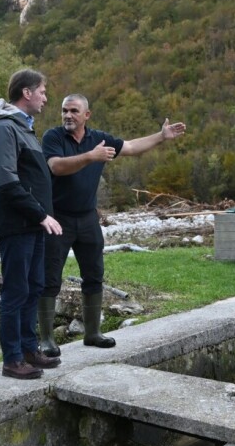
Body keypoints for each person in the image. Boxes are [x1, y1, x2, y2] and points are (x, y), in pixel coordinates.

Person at [37, 94, 186, 356]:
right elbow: (56, 167)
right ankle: (47, 340)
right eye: (64, 110)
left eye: (74, 111)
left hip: (87, 218)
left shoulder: (99, 138)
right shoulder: (53, 137)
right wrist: (91, 156)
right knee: (50, 277)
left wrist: (161, 136)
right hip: (58, 218)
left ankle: (92, 333)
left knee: (94, 274)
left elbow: (130, 147)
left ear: (87, 115)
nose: (68, 115)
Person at [0, 69, 63, 380]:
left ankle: (29, 350)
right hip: (17, 224)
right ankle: (12, 359)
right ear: (27, 93)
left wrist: (41, 217)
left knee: (33, 287)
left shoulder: (24, 128)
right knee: (16, 291)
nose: (45, 98)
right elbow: (6, 182)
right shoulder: (4, 128)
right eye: (42, 91)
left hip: (32, 224)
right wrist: (41, 214)